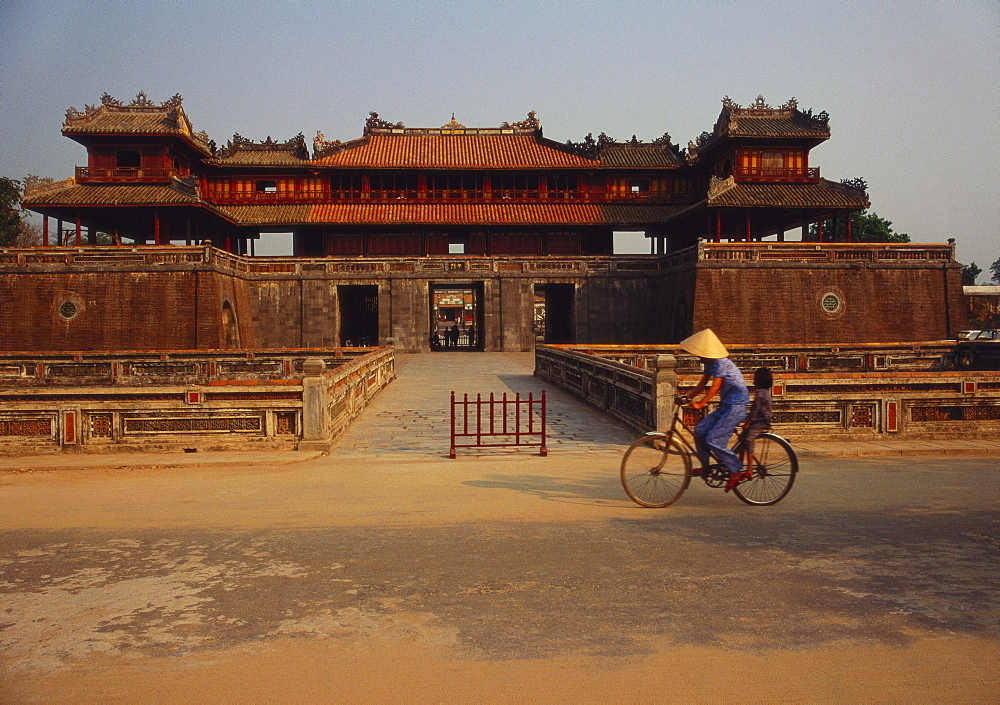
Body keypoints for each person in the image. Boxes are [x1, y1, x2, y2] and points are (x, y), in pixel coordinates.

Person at [679, 328, 750, 492]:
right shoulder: (709, 363)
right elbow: (702, 384)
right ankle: (706, 466)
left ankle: (736, 470)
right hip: (726, 405)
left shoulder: (721, 363)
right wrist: (688, 397)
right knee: (700, 430)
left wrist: (701, 403)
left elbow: (715, 386)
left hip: (736, 406)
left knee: (713, 439)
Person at [740, 367, 774, 459]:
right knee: (742, 439)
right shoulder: (766, 392)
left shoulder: (760, 394)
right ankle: (740, 464)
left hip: (761, 422)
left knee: (748, 439)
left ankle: (749, 468)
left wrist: (748, 423)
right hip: (760, 420)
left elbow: (755, 410)